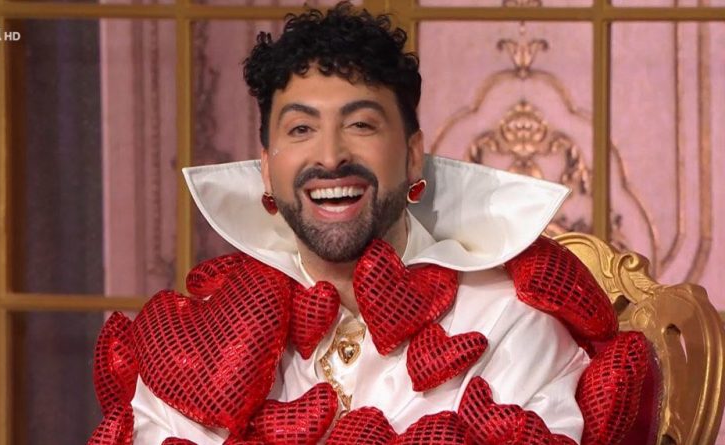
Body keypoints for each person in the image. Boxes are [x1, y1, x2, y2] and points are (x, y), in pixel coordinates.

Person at [89, 3, 644, 444]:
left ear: (412, 156)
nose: (331, 156)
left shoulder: (508, 323)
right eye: (301, 130)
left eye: (360, 124)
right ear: (266, 169)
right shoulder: (201, 338)